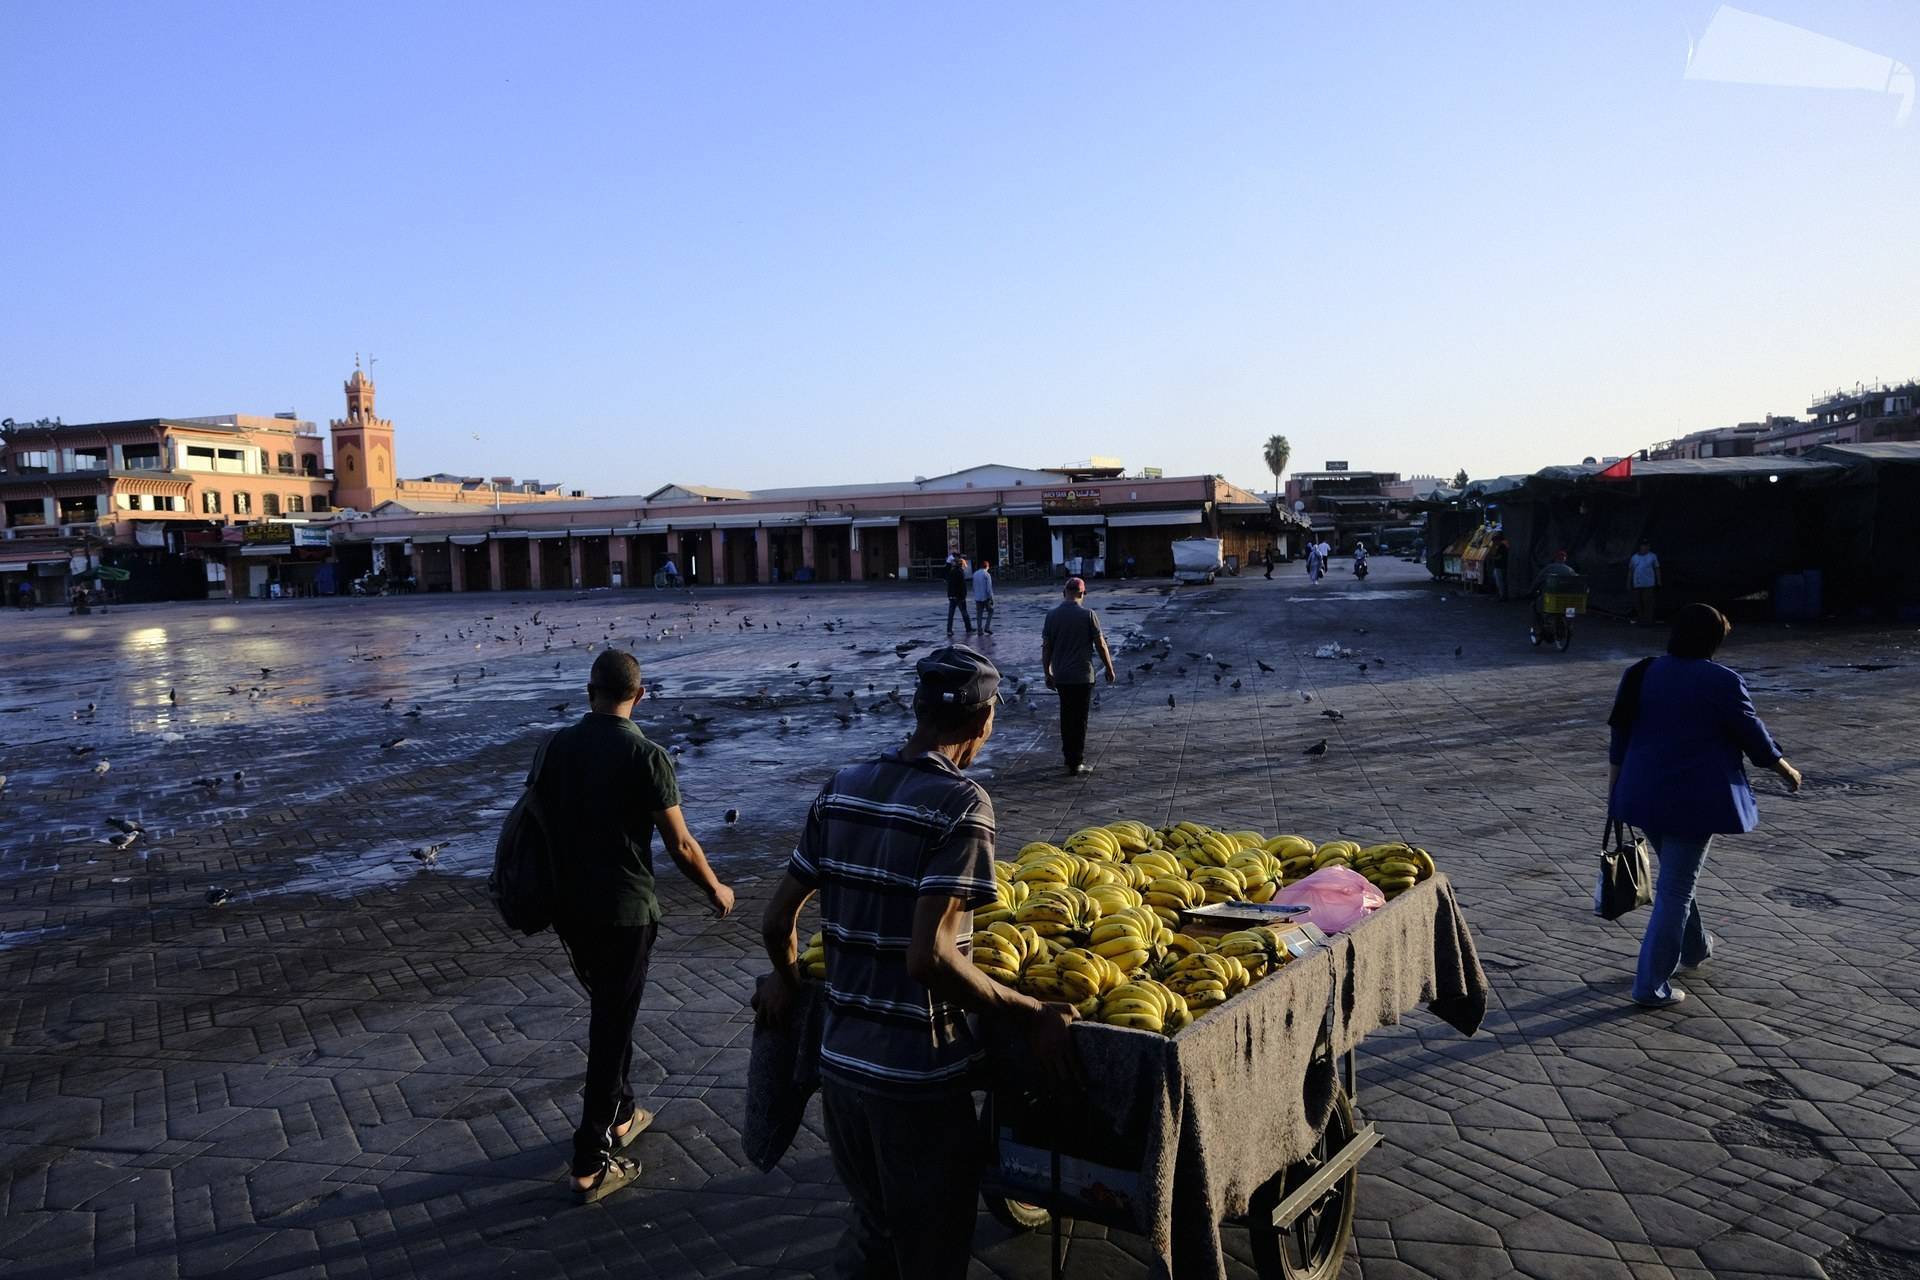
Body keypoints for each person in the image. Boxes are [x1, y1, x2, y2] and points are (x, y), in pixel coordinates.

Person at [752, 646, 1078, 1279]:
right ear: (983, 722)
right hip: (917, 1086)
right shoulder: (963, 806)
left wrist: (788, 984)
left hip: (841, 1070)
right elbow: (928, 957)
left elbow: (775, 922)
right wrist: (1029, 1008)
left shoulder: (840, 788)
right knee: (929, 1253)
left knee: (875, 1231)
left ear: (919, 708)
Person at [535, 650, 735, 1200]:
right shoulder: (645, 755)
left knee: (609, 1006)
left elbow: (536, 821)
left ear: (588, 691)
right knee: (611, 1026)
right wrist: (716, 888)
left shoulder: (555, 746)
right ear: (639, 695)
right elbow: (681, 844)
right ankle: (590, 1161)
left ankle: (621, 1113)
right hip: (624, 911)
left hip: (570, 909)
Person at [1608, 605, 1801, 1008]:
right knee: (1676, 888)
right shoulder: (1721, 681)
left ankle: (1694, 950)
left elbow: (1619, 740)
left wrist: (1615, 797)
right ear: (1713, 642)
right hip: (1694, 799)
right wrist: (1786, 770)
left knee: (1677, 879)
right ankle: (1650, 985)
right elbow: (1753, 736)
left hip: (1641, 794)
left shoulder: (1641, 672)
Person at [1042, 577, 1117, 776]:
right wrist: (1109, 668)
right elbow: (1101, 644)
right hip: (1083, 675)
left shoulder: (1051, 616)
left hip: (1062, 676)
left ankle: (1068, 757)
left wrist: (1047, 672)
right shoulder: (1088, 615)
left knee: (1066, 716)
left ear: (1063, 592)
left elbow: (1046, 647)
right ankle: (1077, 762)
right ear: (1082, 594)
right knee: (1080, 719)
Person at [1628, 539, 1662, 625]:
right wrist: (1628, 582)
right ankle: (1641, 619)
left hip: (1649, 584)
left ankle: (1648, 621)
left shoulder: (1652, 556)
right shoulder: (1634, 557)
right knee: (1638, 603)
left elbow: (1657, 569)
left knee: (1648, 603)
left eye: (1647, 545)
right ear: (1640, 546)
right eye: (1644, 545)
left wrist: (1659, 581)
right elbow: (1631, 571)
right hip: (1637, 583)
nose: (1646, 547)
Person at [944, 555, 973, 635]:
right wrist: (963, 596)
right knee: (964, 613)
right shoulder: (960, 572)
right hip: (959, 596)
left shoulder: (951, 572)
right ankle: (968, 628)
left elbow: (949, 584)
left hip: (952, 596)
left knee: (951, 614)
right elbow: (962, 586)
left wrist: (949, 595)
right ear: (961, 565)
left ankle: (949, 630)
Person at [971, 558, 995, 635]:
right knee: (991, 611)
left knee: (979, 614)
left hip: (977, 597)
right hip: (985, 597)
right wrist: (991, 598)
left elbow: (973, 586)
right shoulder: (987, 575)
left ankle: (979, 630)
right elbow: (989, 588)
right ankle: (987, 627)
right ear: (987, 566)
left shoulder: (975, 574)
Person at [1489, 534, 1510, 601]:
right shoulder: (1502, 546)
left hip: (1500, 566)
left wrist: (1493, 558)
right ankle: (1502, 595)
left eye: (1494, 541)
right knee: (1500, 581)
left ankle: (1502, 596)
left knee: (1500, 582)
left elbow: (1499, 557)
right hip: (1500, 566)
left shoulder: (1501, 547)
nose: (1494, 543)